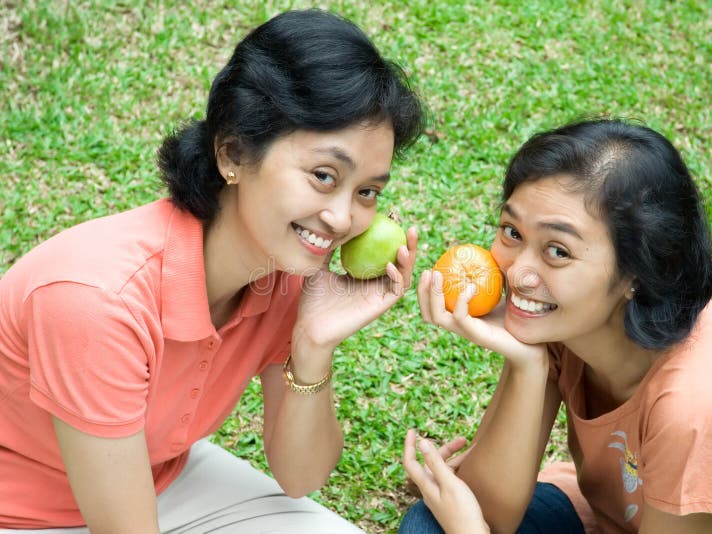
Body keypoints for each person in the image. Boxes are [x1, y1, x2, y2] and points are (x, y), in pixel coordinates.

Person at [0, 9, 424, 533]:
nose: (342, 218)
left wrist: (314, 344)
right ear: (233, 153)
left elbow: (300, 476)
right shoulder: (97, 300)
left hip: (163, 481)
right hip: (24, 516)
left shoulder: (282, 274)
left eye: (367, 192)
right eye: (322, 175)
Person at [400, 119, 712, 533]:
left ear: (637, 273)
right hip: (609, 520)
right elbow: (488, 512)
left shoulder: (699, 409)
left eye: (558, 250)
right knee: (428, 525)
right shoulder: (562, 322)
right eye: (511, 232)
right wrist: (526, 364)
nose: (519, 273)